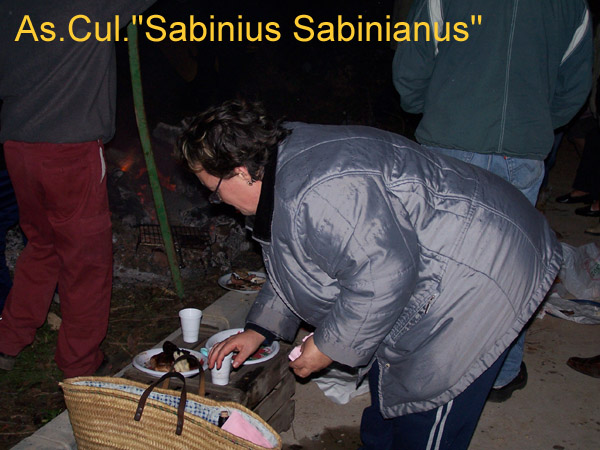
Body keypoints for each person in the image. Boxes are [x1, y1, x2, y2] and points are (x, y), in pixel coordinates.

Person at [180, 100, 562, 449]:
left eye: (214, 190)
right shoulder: (279, 163)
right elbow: (295, 261)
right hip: (430, 262)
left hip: (479, 271)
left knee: (428, 401)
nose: (218, 201)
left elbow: (381, 279)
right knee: (390, 382)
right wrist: (260, 329)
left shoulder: (319, 192)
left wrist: (327, 347)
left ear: (242, 171)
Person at [392, 0, 593, 402]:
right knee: (510, 268)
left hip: (448, 145)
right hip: (521, 153)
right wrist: (531, 122)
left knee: (434, 264)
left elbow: (410, 69)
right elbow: (573, 87)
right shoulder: (572, 5)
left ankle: (424, 370)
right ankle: (499, 373)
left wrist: (438, 109)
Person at [0, 0, 156, 378]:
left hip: (18, 146)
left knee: (42, 244)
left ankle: (8, 340)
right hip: (69, 150)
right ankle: (80, 364)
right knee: (87, 262)